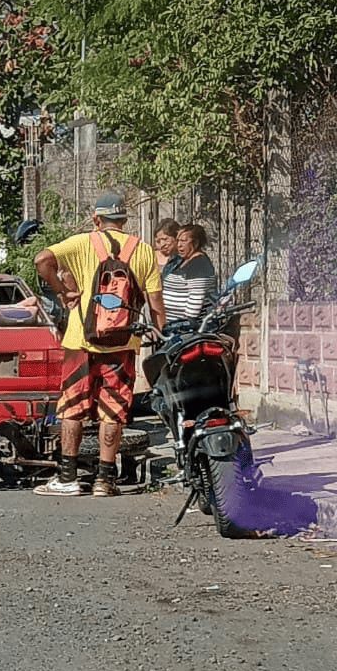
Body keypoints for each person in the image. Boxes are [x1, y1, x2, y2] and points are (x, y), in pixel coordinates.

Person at [32, 193, 165, 497]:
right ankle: (106, 480)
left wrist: (62, 293)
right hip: (122, 343)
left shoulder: (81, 243)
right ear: (124, 220)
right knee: (114, 410)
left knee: (72, 408)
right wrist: (162, 335)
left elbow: (42, 260)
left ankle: (67, 477)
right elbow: (156, 304)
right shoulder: (143, 251)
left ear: (97, 219)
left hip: (81, 341)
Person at [161, 223, 216, 324]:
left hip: (184, 328)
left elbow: (196, 300)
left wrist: (184, 324)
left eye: (184, 241)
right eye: (178, 241)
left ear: (195, 243)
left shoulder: (200, 264)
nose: (179, 245)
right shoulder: (181, 261)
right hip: (170, 323)